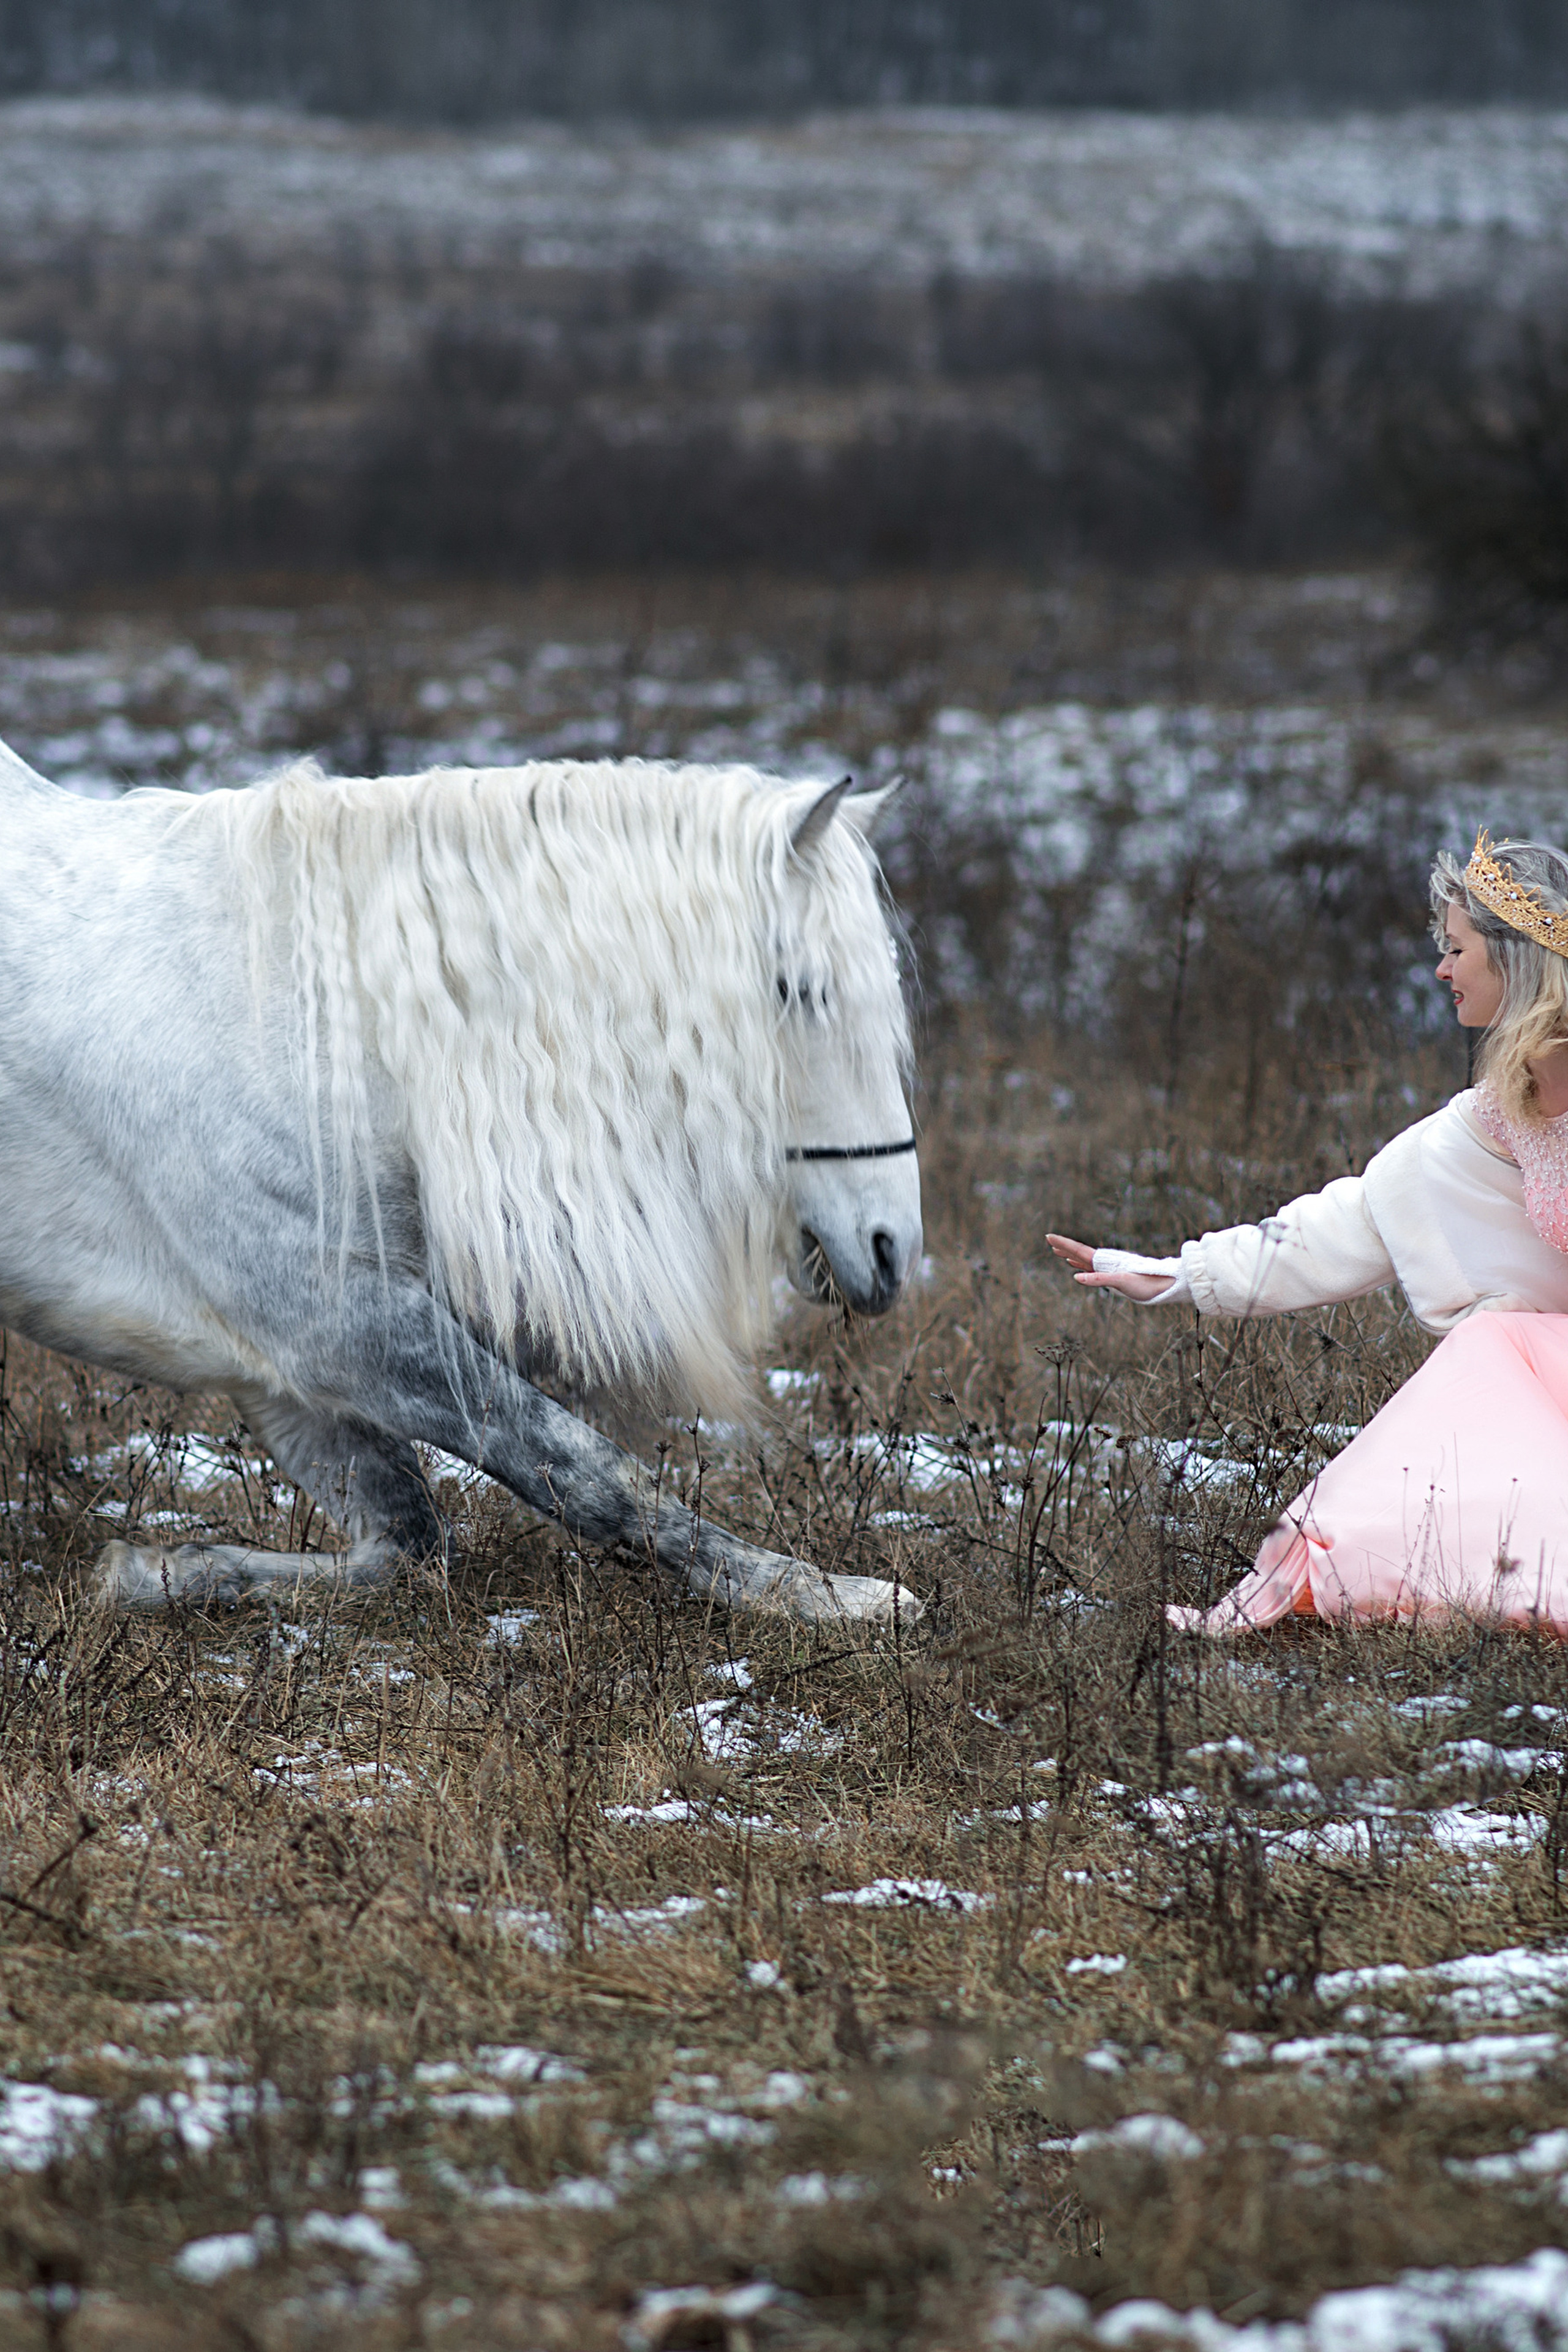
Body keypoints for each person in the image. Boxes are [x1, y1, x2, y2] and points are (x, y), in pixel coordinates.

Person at [1047, 830, 1568, 1634]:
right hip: (1549, 1379)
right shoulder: (1501, 1108)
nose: (1441, 970)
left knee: (1490, 1348)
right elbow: (1356, 1217)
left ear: (1510, 955)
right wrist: (1178, 1273)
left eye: (1456, 949)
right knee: (1486, 1354)